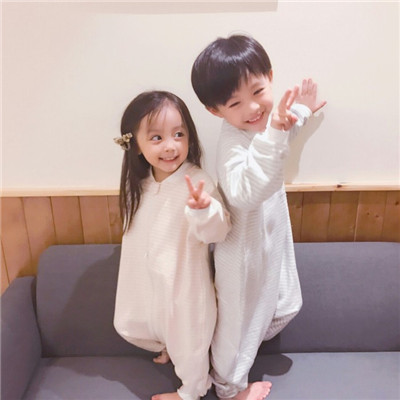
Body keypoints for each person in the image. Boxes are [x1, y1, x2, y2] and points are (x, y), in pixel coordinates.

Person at [191, 34, 327, 400]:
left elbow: (281, 130)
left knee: (284, 302)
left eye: (258, 91)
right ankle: (229, 387)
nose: (252, 108)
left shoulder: (267, 123)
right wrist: (278, 128)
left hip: (269, 238)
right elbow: (244, 192)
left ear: (270, 77)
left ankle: (248, 344)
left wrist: (302, 111)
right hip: (241, 252)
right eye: (235, 103)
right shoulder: (232, 143)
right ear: (216, 111)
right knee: (236, 323)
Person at [113, 91, 231, 400]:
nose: (170, 146)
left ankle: (193, 390)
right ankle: (168, 346)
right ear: (135, 145)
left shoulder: (197, 181)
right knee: (148, 319)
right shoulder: (139, 186)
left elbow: (218, 231)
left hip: (185, 284)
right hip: (152, 281)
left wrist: (203, 209)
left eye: (179, 134)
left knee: (189, 335)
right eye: (156, 137)